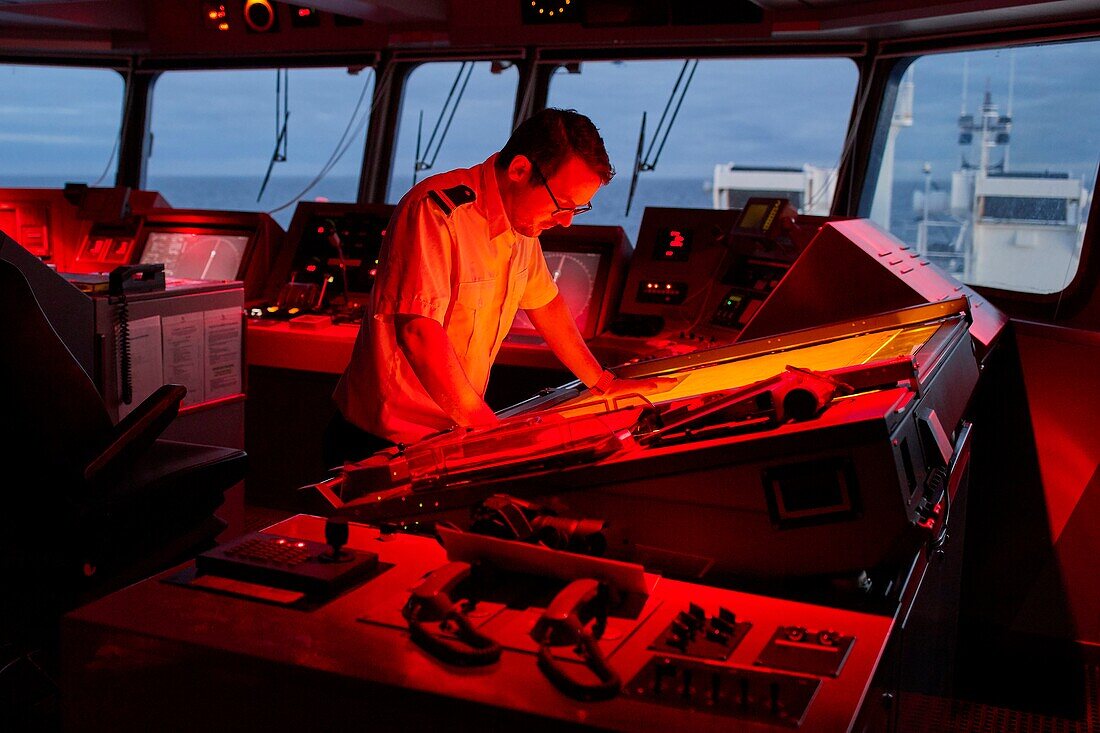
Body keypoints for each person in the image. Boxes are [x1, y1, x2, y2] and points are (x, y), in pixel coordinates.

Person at [325, 108, 670, 464]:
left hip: (452, 430)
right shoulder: (436, 211)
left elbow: (545, 304)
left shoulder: (520, 221)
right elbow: (418, 331)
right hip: (383, 440)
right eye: (561, 206)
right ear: (520, 170)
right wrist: (490, 434)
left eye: (577, 209)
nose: (566, 222)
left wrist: (604, 383)